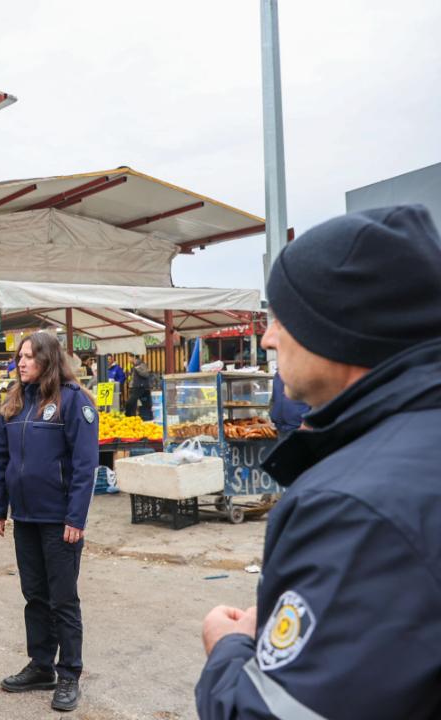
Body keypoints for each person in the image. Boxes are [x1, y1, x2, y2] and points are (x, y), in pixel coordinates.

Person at [196, 205, 441, 719]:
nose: (268, 338)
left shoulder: (354, 505)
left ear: (333, 326)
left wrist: (228, 649)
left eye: (282, 317)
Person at [0, 331, 98, 713]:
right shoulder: (14, 403)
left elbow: (85, 465)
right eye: (20, 356)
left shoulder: (73, 401)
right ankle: (41, 665)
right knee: (35, 596)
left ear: (48, 360)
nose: (21, 362)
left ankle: (69, 674)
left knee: (62, 599)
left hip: (59, 520)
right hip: (26, 518)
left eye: (30, 357)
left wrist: (75, 517)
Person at [268, 373, 309, 440]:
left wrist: (308, 423)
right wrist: (272, 414)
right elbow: (274, 398)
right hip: (280, 428)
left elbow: (320, 400)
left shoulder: (306, 373)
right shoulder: (277, 375)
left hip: (300, 428)